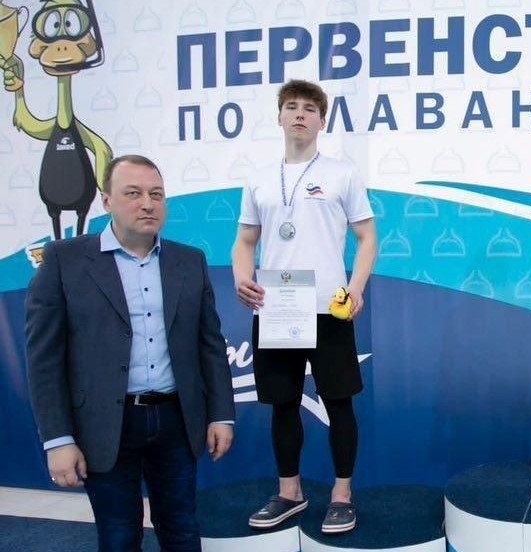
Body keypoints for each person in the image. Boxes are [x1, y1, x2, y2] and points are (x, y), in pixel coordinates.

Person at [25, 154, 236, 551]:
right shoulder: (63, 260)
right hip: (105, 424)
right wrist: (57, 439)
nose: (147, 204)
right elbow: (44, 361)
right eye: (133, 193)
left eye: (156, 194)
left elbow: (209, 344)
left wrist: (221, 414)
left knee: (182, 529)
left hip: (176, 420)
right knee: (119, 535)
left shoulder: (189, 261)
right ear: (107, 201)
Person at [232, 79, 376, 534]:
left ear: (322, 121)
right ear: (279, 117)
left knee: (339, 404)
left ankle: (342, 495)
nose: (300, 114)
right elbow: (245, 240)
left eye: (310, 109)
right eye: (291, 106)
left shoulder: (342, 174)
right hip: (277, 309)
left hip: (330, 309)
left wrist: (356, 287)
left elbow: (367, 237)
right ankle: (289, 492)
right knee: (283, 404)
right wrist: (241, 277)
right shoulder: (258, 178)